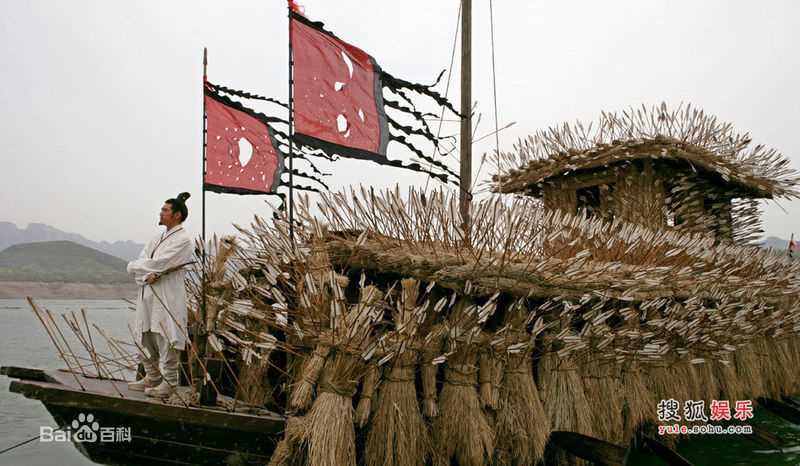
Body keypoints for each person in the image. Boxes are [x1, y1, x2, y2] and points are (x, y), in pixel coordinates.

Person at [126, 192, 194, 398]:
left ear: (177, 215)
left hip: (167, 294)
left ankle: (169, 383)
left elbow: (160, 263)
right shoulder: (156, 238)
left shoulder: (183, 240)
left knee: (166, 334)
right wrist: (144, 274)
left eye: (165, 210)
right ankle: (152, 376)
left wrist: (135, 267)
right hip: (147, 293)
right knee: (144, 335)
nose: (161, 213)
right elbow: (146, 260)